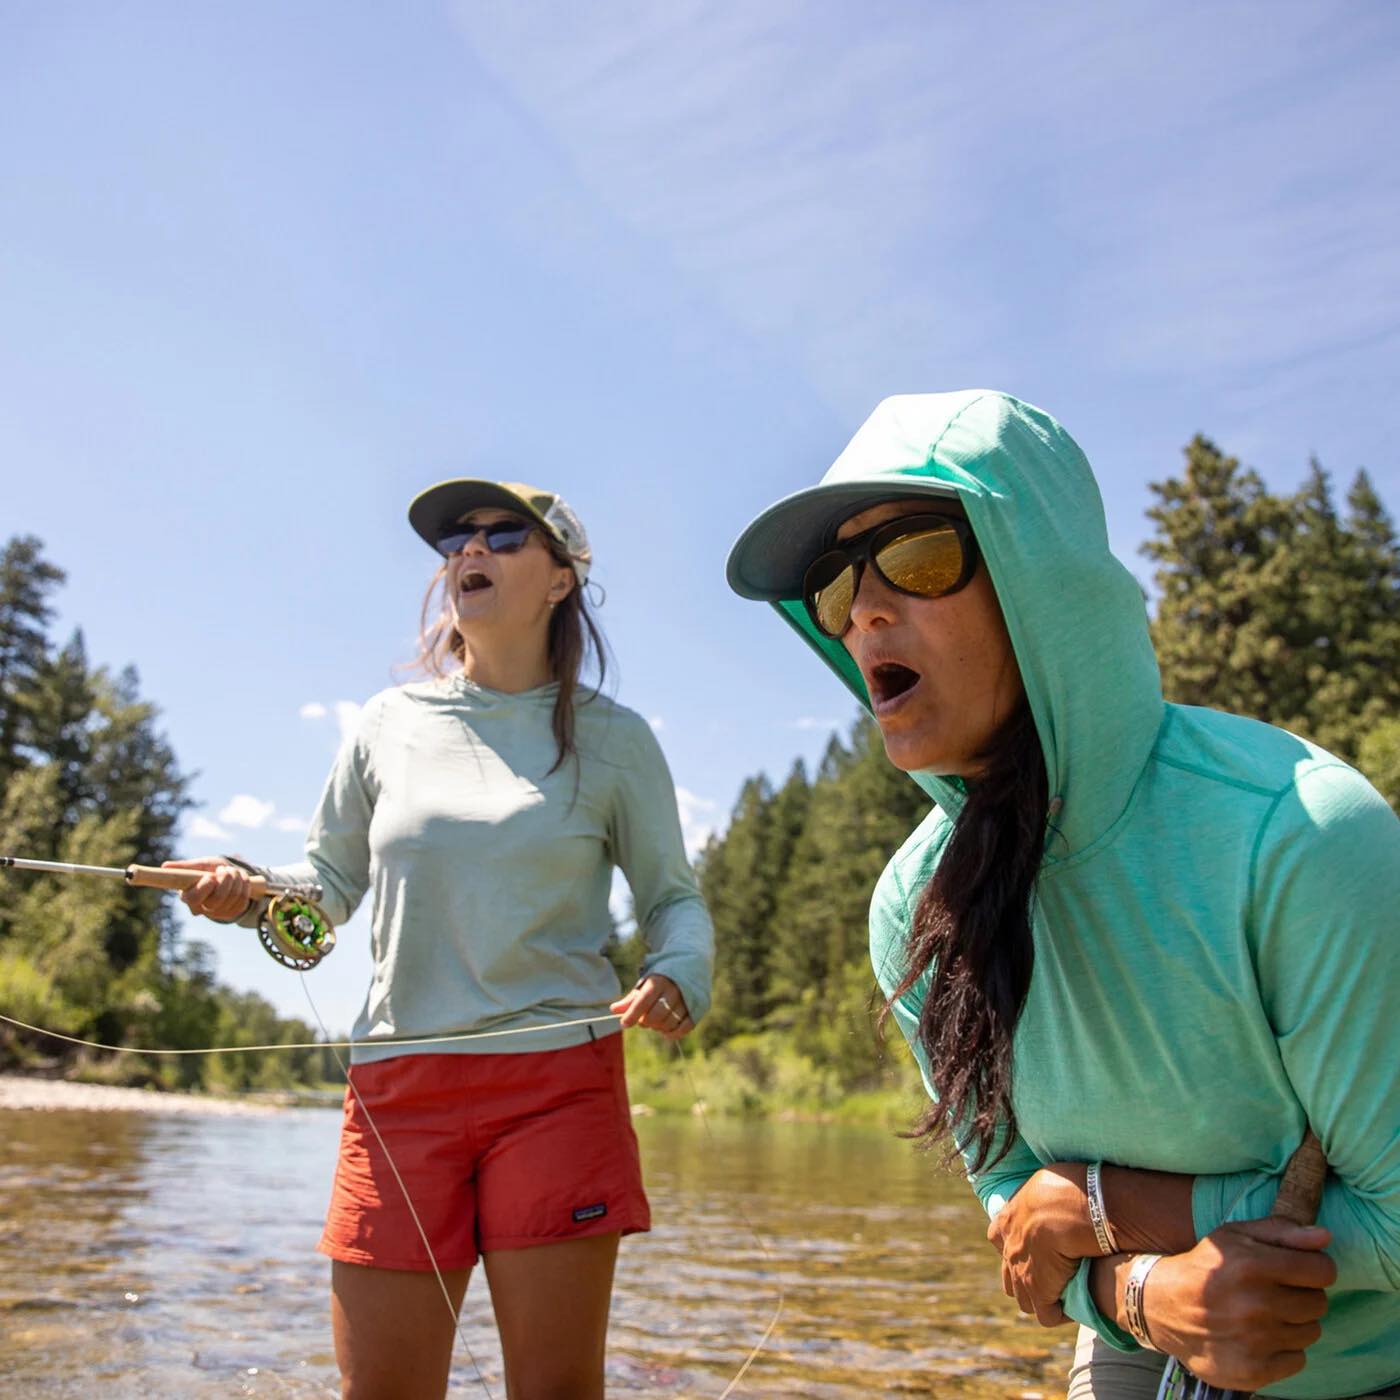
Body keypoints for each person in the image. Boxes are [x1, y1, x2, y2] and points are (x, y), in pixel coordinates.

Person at [726, 391, 1399, 1399]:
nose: (862, 610)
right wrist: (1135, 1291)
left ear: (1039, 576)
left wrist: (1100, 1203)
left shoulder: (1294, 831)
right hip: (1135, 1331)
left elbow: (1390, 1219)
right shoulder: (916, 904)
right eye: (832, 587)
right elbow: (1014, 1216)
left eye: (913, 555)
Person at [172, 479, 713, 1400]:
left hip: (557, 1086)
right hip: (399, 1089)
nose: (472, 552)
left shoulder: (617, 743)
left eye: (504, 537)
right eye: (457, 543)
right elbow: (327, 892)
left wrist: (677, 973)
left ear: (560, 580)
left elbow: (674, 900)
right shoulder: (386, 726)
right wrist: (254, 898)